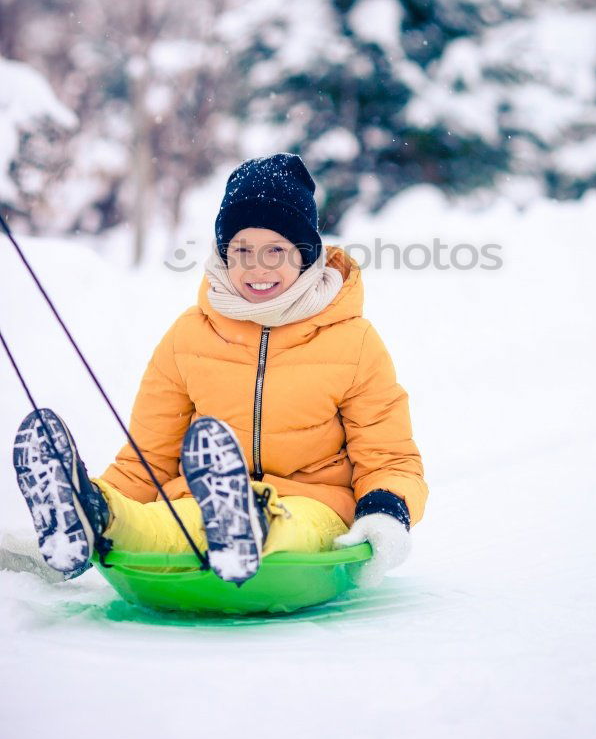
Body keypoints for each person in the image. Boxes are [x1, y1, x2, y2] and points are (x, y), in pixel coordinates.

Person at [13, 153, 428, 589]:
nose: (256, 268)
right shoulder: (189, 336)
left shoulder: (353, 342)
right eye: (241, 250)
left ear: (305, 256)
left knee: (298, 527)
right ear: (223, 253)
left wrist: (385, 513)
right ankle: (92, 517)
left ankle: (251, 526)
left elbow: (388, 457)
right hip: (204, 504)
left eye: (275, 252)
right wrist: (112, 495)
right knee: (167, 527)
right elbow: (147, 461)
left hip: (315, 508)